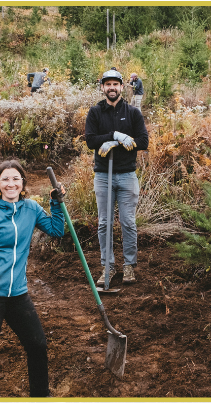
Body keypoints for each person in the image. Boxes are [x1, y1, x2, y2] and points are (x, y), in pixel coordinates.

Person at [0, 159, 72, 398]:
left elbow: (56, 230)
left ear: (23, 183)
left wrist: (56, 202)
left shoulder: (31, 209)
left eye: (16, 179)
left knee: (38, 345)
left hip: (17, 294)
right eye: (5, 179)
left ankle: (40, 399)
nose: (11, 183)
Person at [83, 68, 149, 290]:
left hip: (127, 174)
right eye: (108, 84)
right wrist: (113, 136)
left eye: (115, 84)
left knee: (128, 222)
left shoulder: (133, 113)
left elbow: (143, 141)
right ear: (103, 87)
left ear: (122, 87)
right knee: (104, 223)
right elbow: (91, 141)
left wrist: (118, 142)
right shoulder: (95, 112)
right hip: (103, 176)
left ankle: (129, 265)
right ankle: (108, 266)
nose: (111, 88)